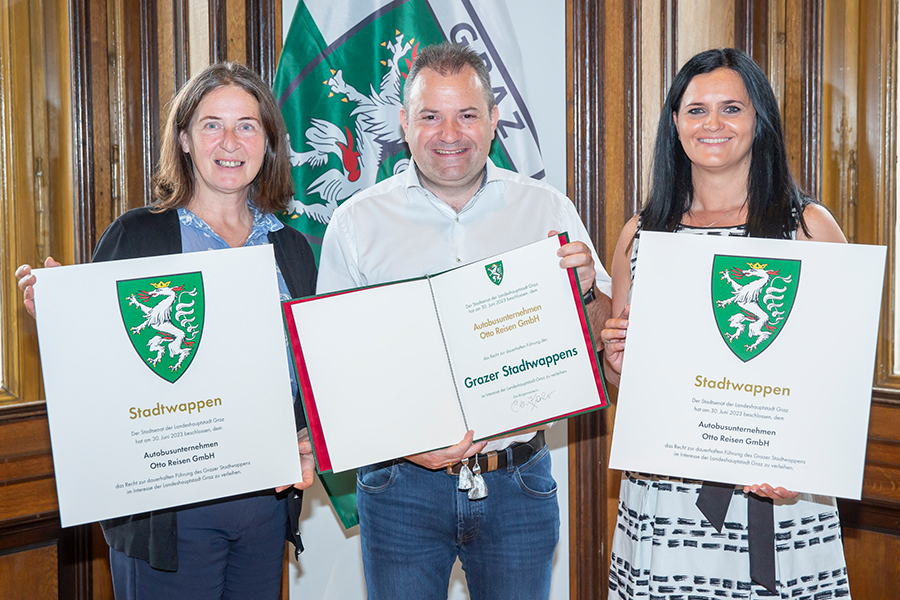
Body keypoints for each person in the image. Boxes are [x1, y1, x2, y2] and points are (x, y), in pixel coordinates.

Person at [315, 41, 612, 600]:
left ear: (494, 120)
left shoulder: (547, 210)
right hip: (400, 484)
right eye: (430, 116)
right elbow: (333, 375)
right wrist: (404, 443)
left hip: (517, 483)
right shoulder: (356, 224)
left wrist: (587, 291)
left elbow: (601, 340)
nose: (449, 133)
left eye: (467, 115)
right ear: (403, 123)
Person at [16, 62, 317, 600]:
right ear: (183, 138)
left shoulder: (291, 249)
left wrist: (309, 438)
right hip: (167, 512)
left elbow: (311, 372)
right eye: (211, 124)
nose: (230, 141)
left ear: (268, 141)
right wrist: (63, 317)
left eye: (247, 125)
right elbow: (100, 374)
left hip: (265, 507)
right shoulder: (139, 237)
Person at [600, 48, 850, 599]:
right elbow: (631, 389)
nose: (712, 124)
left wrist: (806, 470)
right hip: (667, 501)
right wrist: (618, 364)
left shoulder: (807, 228)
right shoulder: (640, 235)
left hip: (778, 498)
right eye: (696, 110)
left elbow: (841, 376)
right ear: (674, 123)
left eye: (731, 108)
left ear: (759, 121)